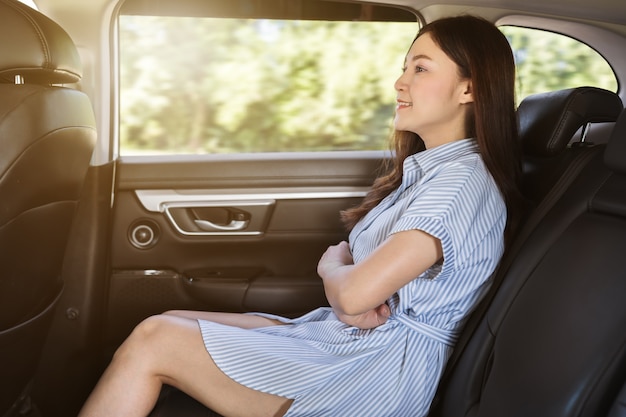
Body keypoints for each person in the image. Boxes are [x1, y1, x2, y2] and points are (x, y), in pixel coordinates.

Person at [79, 15, 523, 417]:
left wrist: (331, 267)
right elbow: (357, 299)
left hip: (374, 374)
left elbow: (354, 297)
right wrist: (349, 295)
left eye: (420, 68)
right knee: (169, 318)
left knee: (154, 339)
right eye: (405, 67)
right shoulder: (432, 172)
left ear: (470, 88)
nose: (399, 83)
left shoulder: (460, 184)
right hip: (346, 341)